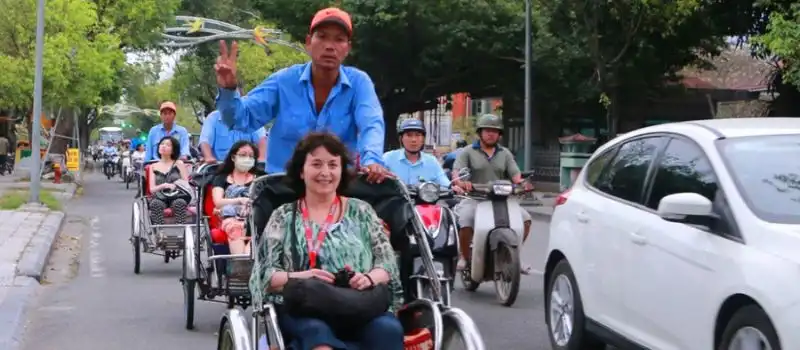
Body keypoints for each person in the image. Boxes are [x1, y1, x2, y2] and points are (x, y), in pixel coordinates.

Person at [250, 132, 404, 350]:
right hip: (305, 309)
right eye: (316, 164)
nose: (325, 172)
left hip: (360, 304)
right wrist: (303, 276)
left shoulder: (362, 212)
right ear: (302, 171)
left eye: (333, 165)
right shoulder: (283, 216)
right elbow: (264, 276)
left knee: (388, 331)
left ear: (341, 171)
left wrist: (368, 278)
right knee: (317, 335)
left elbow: (387, 265)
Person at [213, 7, 390, 183]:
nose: (329, 46)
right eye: (322, 37)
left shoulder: (359, 82)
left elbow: (371, 123)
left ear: (347, 48)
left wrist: (372, 160)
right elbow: (241, 119)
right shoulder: (283, 81)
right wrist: (229, 89)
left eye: (339, 39)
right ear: (308, 42)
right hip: (284, 185)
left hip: (336, 186)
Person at [451, 114, 535, 274]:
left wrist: (523, 184)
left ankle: (515, 255)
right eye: (487, 130)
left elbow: (516, 176)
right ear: (480, 132)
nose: (491, 134)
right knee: (466, 221)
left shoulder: (505, 153)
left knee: (525, 219)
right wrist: (461, 182)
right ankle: (464, 256)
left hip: (502, 199)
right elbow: (457, 173)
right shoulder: (468, 152)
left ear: (499, 134)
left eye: (495, 131)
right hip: (475, 198)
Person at [211, 140, 265, 258]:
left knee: (263, 231)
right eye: (243, 155)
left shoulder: (261, 178)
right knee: (235, 228)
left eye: (251, 156)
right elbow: (218, 202)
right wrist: (239, 200)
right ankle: (241, 262)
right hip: (231, 219)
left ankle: (247, 260)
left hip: (255, 217)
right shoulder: (222, 178)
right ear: (233, 157)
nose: (247, 158)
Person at [383, 119, 453, 188]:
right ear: (401, 138)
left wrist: (452, 188)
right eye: (409, 135)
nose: (413, 140)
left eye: (418, 135)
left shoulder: (432, 161)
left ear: (423, 139)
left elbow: (445, 184)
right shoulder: (388, 158)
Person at [147, 136, 191, 225]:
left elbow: (186, 184)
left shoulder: (179, 164)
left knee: (180, 203)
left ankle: (181, 230)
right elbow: (152, 189)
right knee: (155, 204)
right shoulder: (153, 166)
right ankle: (159, 232)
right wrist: (164, 185)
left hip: (177, 195)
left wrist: (176, 185)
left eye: (168, 145)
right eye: (162, 144)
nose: (163, 146)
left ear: (173, 150)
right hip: (159, 196)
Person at [199, 110, 267, 165]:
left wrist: (261, 158)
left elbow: (262, 139)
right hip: (220, 166)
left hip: (246, 165)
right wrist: (208, 157)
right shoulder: (213, 118)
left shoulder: (252, 118)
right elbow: (205, 140)